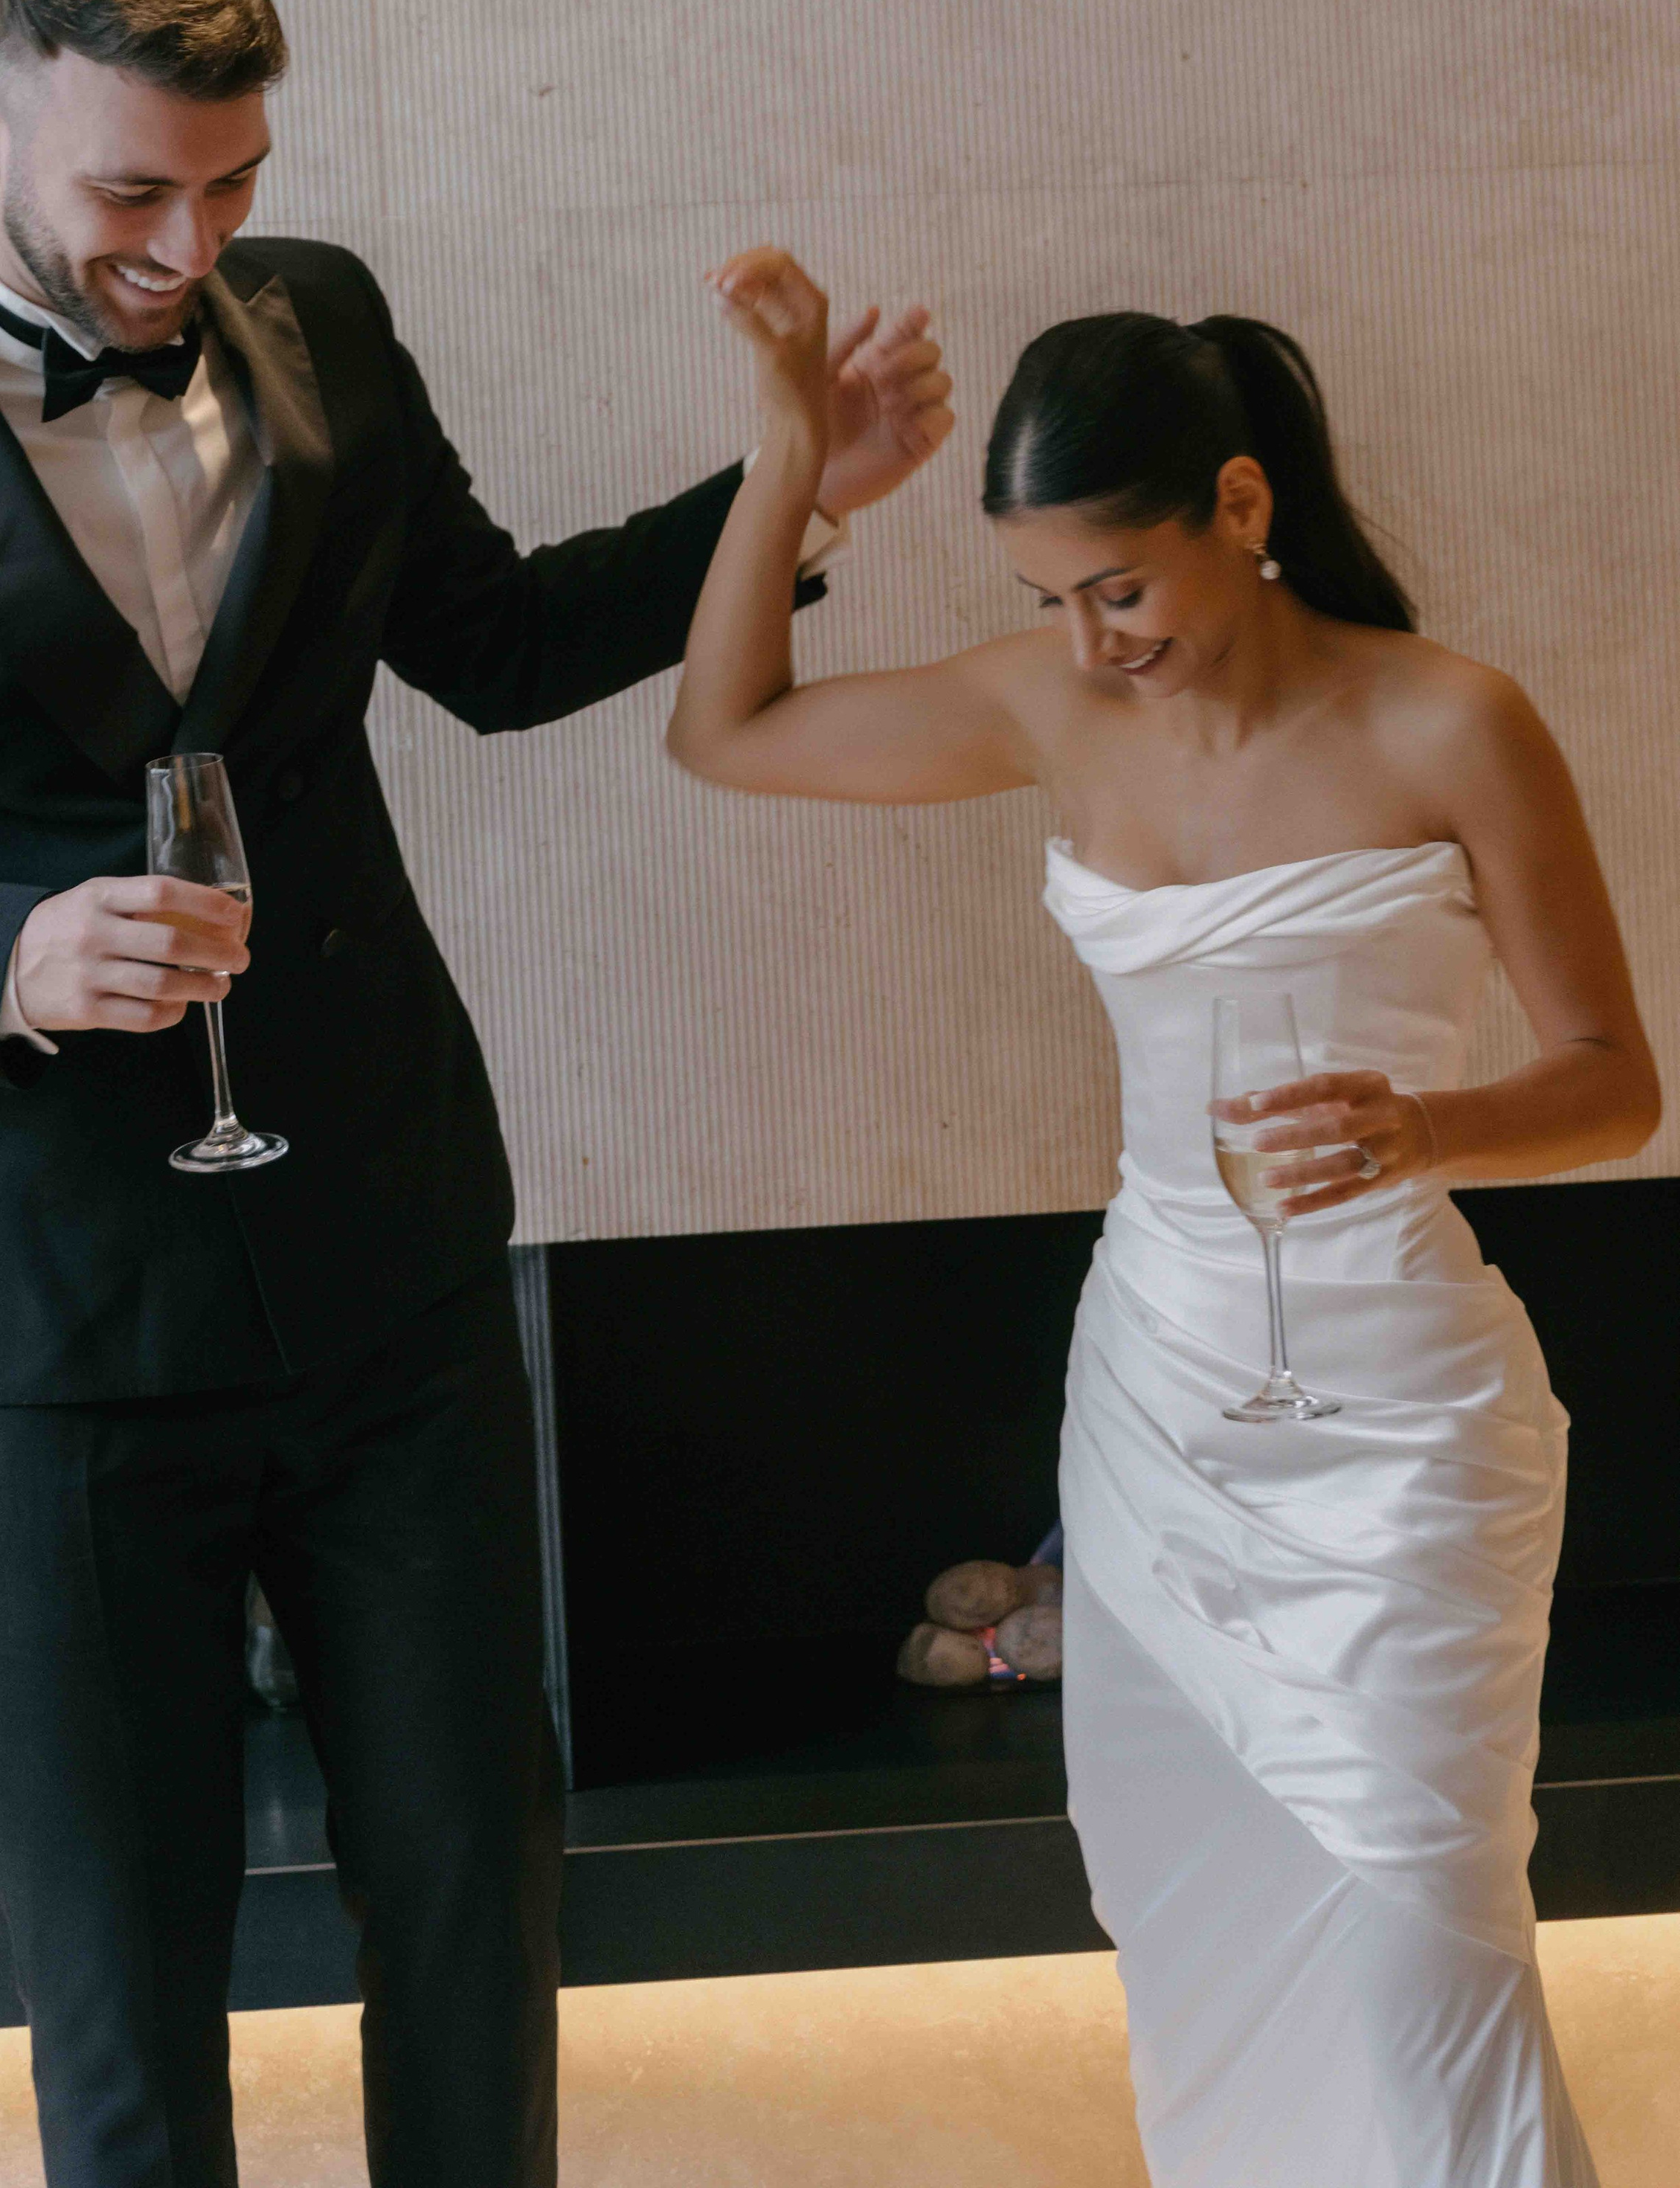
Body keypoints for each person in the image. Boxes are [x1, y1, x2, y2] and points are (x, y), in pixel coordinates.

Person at [0, 0, 953, 2188]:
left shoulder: (317, 325)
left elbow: (500, 644)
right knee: (122, 1973)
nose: (189, 246)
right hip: (47, 1316)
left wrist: (785, 497)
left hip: (392, 1262)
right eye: (134, 187)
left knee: (470, 1897)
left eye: (234, 182)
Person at [668, 247, 1659, 2188]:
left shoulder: (1452, 722)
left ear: (1242, 506)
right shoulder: (1055, 707)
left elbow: (1619, 1082)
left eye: (1121, 587)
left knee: (1422, 1940)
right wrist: (791, 450)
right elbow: (727, 731)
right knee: (1189, 1914)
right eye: (1049, 602)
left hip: (1404, 1438)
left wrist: (1425, 1124)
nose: (1094, 642)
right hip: (1159, 1392)